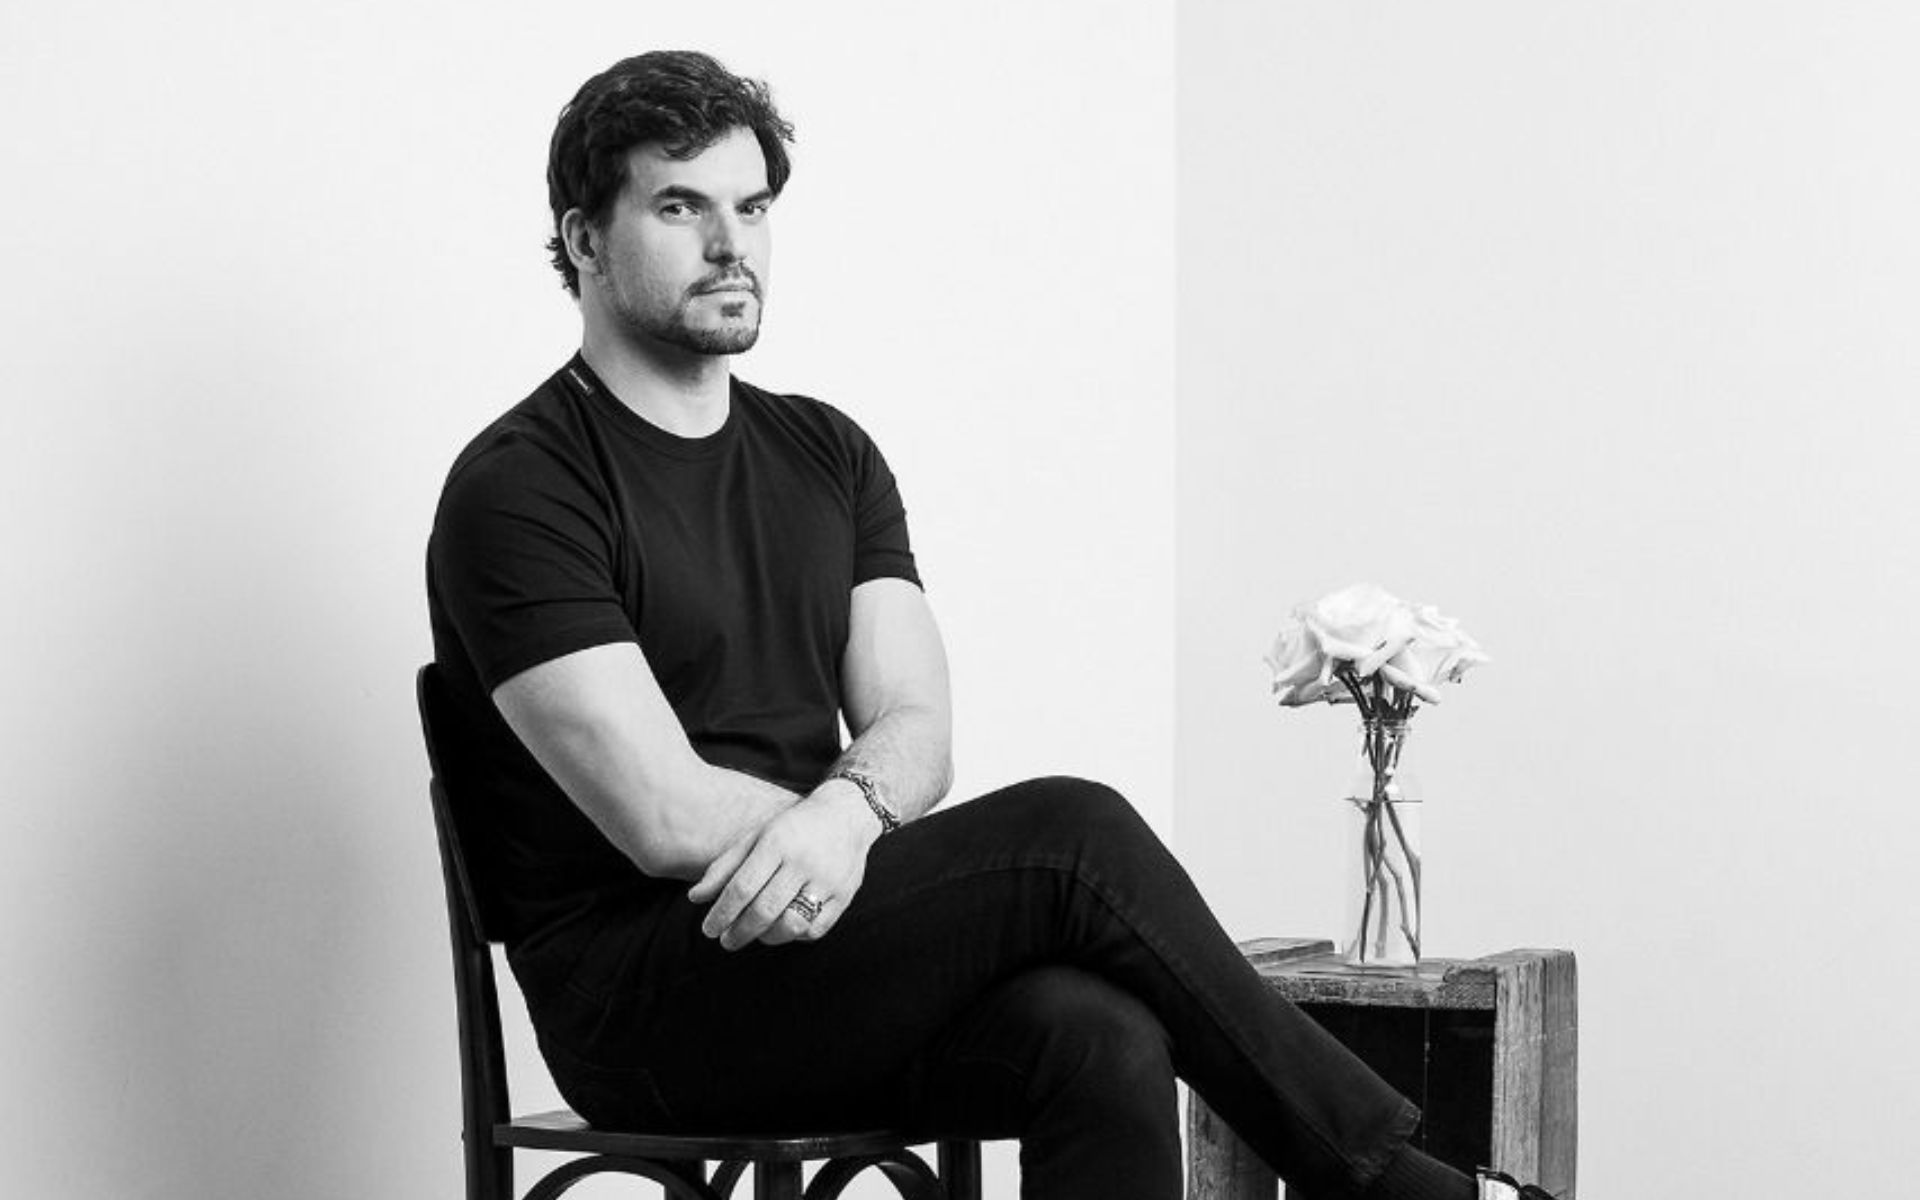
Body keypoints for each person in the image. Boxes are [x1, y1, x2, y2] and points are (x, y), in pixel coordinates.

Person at [425, 50, 1558, 1200]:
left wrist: (849, 818)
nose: (732, 245)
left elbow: (919, 728)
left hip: (820, 946)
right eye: (681, 208)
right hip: (651, 1003)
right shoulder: (522, 488)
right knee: (1072, 835)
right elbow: (662, 815)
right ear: (582, 239)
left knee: (1098, 1034)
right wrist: (858, 838)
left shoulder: (827, 454)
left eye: (752, 208)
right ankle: (1405, 1191)